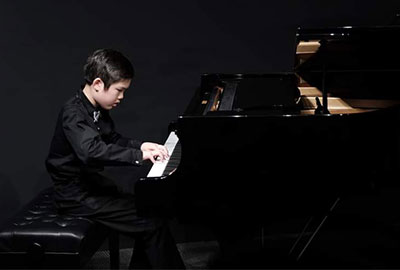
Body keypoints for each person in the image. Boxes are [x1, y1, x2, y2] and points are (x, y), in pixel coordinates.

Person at [45, 48, 185, 269]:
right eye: (120, 90)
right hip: (74, 194)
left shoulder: (95, 108)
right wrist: (139, 156)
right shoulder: (74, 113)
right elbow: (92, 151)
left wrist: (141, 145)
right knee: (150, 222)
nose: (122, 97)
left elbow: (111, 138)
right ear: (98, 84)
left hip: (90, 186)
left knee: (150, 210)